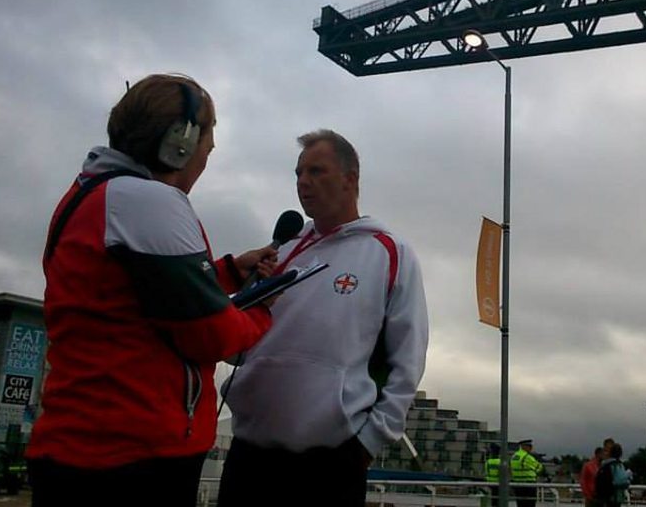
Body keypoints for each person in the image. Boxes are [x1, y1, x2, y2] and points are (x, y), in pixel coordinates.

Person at [25, 74, 279, 507]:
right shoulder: (149, 201)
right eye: (207, 145)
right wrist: (264, 309)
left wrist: (228, 272)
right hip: (133, 458)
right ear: (179, 144)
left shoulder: (92, 193)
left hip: (83, 449)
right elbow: (212, 336)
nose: (206, 157)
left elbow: (138, 294)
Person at [217, 129, 429, 507]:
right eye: (298, 173)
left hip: (332, 463)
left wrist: (369, 442)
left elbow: (408, 360)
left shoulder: (388, 252)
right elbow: (235, 350)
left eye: (316, 171)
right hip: (249, 455)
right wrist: (246, 297)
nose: (303, 182)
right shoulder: (280, 252)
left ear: (350, 179)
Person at [511, 439, 544, 507]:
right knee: (530, 503)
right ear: (524, 447)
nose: (531, 448)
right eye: (530, 446)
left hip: (517, 483)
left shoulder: (514, 456)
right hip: (528, 484)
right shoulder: (527, 457)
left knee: (520, 504)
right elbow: (539, 468)